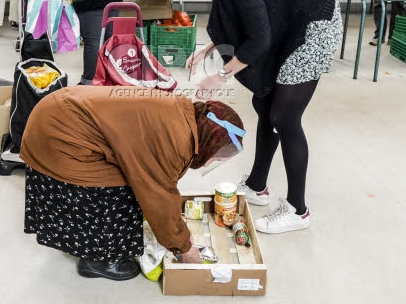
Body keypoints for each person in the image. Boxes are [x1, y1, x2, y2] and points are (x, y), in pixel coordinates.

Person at [151, 0, 343, 234]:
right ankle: (256, 186)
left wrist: (220, 75)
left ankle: (298, 210)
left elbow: (258, 39)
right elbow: (245, 14)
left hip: (313, 24)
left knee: (284, 116)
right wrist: (208, 48)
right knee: (265, 105)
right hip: (290, 18)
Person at [20, 86, 245, 281]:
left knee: (135, 180)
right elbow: (158, 195)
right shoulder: (174, 139)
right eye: (217, 153)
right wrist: (184, 248)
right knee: (120, 188)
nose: (211, 159)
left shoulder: (182, 113)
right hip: (57, 137)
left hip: (58, 111)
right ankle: (98, 260)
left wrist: (176, 229)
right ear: (211, 137)